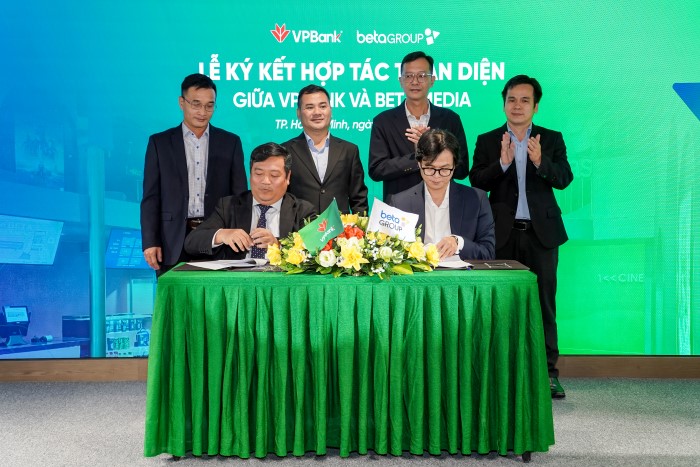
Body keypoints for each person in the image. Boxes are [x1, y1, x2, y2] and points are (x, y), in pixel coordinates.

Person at [469, 75, 574, 399]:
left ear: (535, 106)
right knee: (500, 307)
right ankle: (501, 372)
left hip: (541, 237)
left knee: (544, 306)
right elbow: (476, 181)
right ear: (504, 104)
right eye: (511, 100)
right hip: (501, 237)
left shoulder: (551, 139)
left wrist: (541, 161)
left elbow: (564, 178)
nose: (517, 106)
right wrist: (501, 164)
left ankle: (548, 374)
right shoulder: (488, 140)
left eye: (525, 100)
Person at [140, 73, 247, 274]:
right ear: (182, 103)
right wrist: (150, 241)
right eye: (196, 104)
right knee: (175, 294)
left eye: (209, 105)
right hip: (171, 240)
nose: (202, 112)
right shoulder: (160, 143)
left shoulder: (230, 142)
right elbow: (151, 197)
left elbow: (239, 197)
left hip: (217, 239)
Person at [184, 143, 316, 260]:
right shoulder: (228, 206)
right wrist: (222, 234)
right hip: (238, 279)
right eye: (258, 174)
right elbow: (191, 243)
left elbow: (315, 251)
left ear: (288, 178)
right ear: (250, 175)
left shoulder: (303, 211)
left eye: (274, 175)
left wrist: (278, 245)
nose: (265, 181)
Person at [369, 51, 469, 199]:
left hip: (442, 205)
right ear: (401, 81)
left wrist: (433, 155)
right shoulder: (383, 121)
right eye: (409, 76)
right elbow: (376, 170)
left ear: (432, 80)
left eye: (421, 76)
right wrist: (417, 158)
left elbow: (462, 169)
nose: (415, 82)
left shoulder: (450, 119)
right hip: (398, 208)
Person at [388, 129, 494, 261]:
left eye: (444, 169)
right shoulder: (400, 203)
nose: (437, 176)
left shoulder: (476, 199)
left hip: (461, 273)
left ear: (454, 166)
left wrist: (459, 243)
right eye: (430, 168)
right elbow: (392, 254)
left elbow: (488, 253)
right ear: (419, 164)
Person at [283, 84, 368, 214]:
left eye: (323, 106)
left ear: (330, 110)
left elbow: (359, 199)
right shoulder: (285, 151)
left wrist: (360, 224)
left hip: (340, 226)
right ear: (298, 113)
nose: (317, 112)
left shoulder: (349, 150)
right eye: (309, 107)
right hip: (300, 226)